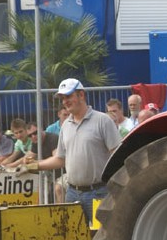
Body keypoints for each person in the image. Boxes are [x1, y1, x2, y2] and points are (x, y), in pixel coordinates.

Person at [24, 79, 121, 225]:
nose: (65, 101)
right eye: (62, 98)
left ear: (81, 95)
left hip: (99, 193)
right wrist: (35, 165)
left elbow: (117, 154)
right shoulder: (66, 126)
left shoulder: (103, 121)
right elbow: (60, 159)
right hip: (72, 193)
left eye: (68, 96)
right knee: (73, 237)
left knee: (101, 237)